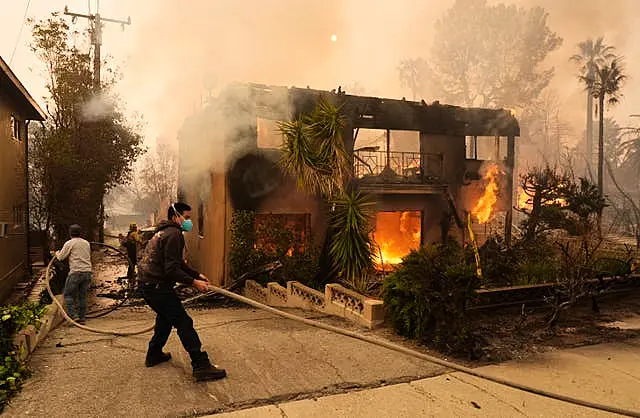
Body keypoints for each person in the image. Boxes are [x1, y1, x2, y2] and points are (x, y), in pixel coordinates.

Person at [138, 202, 227, 381]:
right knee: (183, 322)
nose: (189, 222)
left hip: (148, 285)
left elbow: (176, 263)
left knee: (165, 319)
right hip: (157, 287)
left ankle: (154, 354)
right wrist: (194, 282)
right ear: (175, 217)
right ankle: (201, 365)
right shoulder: (175, 234)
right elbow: (172, 269)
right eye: (186, 218)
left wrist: (196, 274)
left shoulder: (163, 232)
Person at [56, 224, 93, 325]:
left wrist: (56, 253)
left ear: (70, 233)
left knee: (67, 294)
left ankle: (73, 316)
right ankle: (82, 318)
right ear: (80, 233)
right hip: (87, 272)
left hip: (76, 272)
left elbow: (61, 257)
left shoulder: (69, 243)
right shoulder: (86, 243)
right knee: (82, 295)